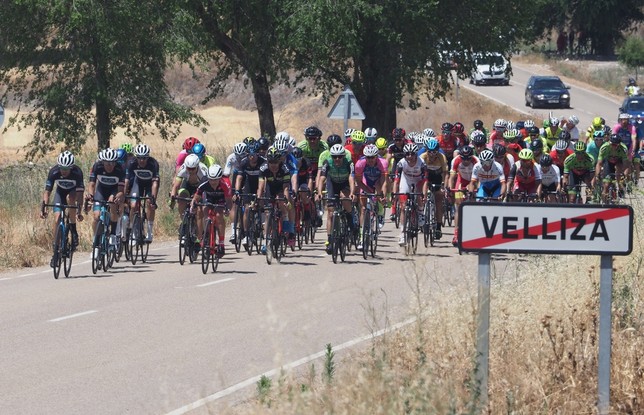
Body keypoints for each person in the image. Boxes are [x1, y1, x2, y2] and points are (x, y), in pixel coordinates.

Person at [41, 151, 84, 265]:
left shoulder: (77, 173)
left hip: (73, 192)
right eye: (62, 168)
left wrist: (79, 211)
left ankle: (73, 228)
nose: (64, 171)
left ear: (72, 167)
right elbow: (47, 192)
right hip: (60, 193)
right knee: (57, 218)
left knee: (72, 198)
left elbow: (80, 195)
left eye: (66, 169)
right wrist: (44, 208)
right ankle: (56, 249)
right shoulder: (54, 172)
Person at [318, 144, 355, 254]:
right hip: (332, 183)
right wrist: (319, 192)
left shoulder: (349, 163)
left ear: (343, 156)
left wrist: (352, 193)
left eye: (339, 156)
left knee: (344, 198)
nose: (337, 159)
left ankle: (349, 218)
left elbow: (351, 178)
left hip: (345, 184)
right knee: (330, 212)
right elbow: (322, 178)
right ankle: (330, 239)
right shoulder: (327, 162)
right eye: (335, 157)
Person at [86, 148, 126, 250]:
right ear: (102, 162)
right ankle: (96, 241)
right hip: (101, 190)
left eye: (112, 163)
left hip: (114, 190)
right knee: (96, 216)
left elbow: (121, 190)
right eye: (107, 163)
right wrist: (90, 196)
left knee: (112, 202)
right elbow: (92, 184)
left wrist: (118, 196)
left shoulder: (120, 169)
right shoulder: (97, 167)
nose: (110, 166)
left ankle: (113, 233)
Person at [258, 147, 295, 252]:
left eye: (276, 162)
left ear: (279, 161)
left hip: (281, 188)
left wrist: (287, 201)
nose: (273, 165)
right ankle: (266, 241)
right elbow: (260, 187)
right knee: (267, 213)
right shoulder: (263, 168)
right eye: (271, 162)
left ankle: (287, 228)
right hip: (270, 188)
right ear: (267, 161)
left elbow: (286, 188)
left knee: (281, 202)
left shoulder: (285, 169)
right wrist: (258, 198)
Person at [191, 164, 232, 258]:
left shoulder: (225, 184)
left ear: (220, 178)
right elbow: (196, 198)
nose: (213, 182)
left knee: (218, 215)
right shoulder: (204, 183)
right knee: (205, 213)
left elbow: (229, 202)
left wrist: (227, 209)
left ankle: (221, 243)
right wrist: (193, 205)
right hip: (209, 198)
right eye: (211, 179)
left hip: (221, 199)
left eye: (215, 180)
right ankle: (207, 235)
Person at [392, 143, 427, 246]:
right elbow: (396, 181)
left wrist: (424, 195)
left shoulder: (422, 163)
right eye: (407, 154)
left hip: (418, 180)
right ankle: (403, 232)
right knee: (403, 206)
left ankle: (420, 212)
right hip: (406, 179)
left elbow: (425, 180)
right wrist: (395, 194)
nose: (410, 156)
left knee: (419, 193)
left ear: (416, 154)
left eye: (412, 154)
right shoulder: (401, 163)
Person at [124, 144, 160, 242]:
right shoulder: (132, 163)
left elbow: (155, 183)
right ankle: (132, 231)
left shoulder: (153, 164)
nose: (142, 160)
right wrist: (124, 195)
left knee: (149, 203)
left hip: (150, 184)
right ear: (136, 157)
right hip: (138, 182)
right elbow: (126, 181)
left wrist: (153, 199)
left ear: (148, 157)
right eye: (139, 158)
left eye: (144, 158)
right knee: (133, 204)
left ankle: (149, 231)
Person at [354, 144, 387, 249]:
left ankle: (380, 213)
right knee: (363, 209)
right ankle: (361, 237)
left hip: (378, 181)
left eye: (372, 157)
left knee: (379, 190)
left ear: (376, 156)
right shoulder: (360, 164)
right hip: (365, 182)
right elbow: (358, 182)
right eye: (368, 157)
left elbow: (384, 181)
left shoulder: (383, 163)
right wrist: (367, 191)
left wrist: (382, 195)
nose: (370, 160)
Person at [234, 142, 266, 247]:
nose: (252, 157)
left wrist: (260, 194)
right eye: (250, 155)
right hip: (248, 184)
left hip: (261, 183)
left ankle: (262, 225)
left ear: (258, 154)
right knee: (247, 208)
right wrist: (237, 191)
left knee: (261, 203)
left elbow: (264, 180)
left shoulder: (263, 163)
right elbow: (239, 178)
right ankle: (247, 235)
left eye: (254, 155)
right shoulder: (243, 162)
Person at [169, 153, 208, 233]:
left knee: (199, 209)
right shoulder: (183, 169)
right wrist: (173, 197)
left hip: (200, 187)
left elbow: (206, 188)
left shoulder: (203, 170)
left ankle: (200, 232)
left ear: (197, 166)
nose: (190, 171)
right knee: (181, 198)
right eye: (188, 168)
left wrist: (197, 197)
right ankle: (185, 221)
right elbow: (176, 186)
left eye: (192, 169)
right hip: (187, 185)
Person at [448, 146, 478, 246]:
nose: (465, 161)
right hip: (461, 181)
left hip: (473, 181)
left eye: (468, 158)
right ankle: (456, 234)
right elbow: (452, 178)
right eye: (463, 158)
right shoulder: (456, 160)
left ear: (471, 157)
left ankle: (473, 232)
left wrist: (474, 190)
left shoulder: (476, 161)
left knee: (473, 204)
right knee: (459, 207)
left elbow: (479, 179)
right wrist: (450, 190)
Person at [420, 138, 448, 239]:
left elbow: (445, 174)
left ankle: (438, 227)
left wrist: (444, 187)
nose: (432, 155)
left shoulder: (441, 157)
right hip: (426, 177)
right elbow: (420, 174)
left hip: (437, 177)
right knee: (422, 193)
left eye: (434, 152)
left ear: (438, 151)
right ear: (426, 150)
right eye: (429, 152)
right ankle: (421, 214)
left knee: (439, 200)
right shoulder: (422, 157)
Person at [592, 134, 629, 203]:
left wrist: (624, 176)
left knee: (620, 179)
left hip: (619, 162)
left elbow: (626, 165)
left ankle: (620, 190)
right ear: (609, 142)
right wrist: (597, 175)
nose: (613, 146)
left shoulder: (623, 149)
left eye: (615, 145)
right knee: (606, 185)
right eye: (612, 144)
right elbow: (599, 163)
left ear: (619, 144)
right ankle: (603, 204)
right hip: (608, 162)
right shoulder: (604, 147)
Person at [223, 142, 248, 243]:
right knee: (234, 204)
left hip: (247, 177)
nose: (239, 158)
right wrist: (227, 189)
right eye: (237, 156)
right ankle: (234, 231)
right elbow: (226, 174)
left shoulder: (248, 159)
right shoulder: (231, 157)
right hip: (236, 176)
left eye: (241, 156)